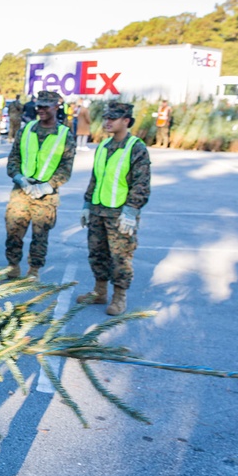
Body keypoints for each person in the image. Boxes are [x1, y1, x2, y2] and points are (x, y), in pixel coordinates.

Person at [77, 101, 151, 316]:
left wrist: (131, 211)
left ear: (126, 121)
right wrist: (86, 204)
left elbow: (141, 184)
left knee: (120, 257)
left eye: (112, 118)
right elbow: (95, 179)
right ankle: (99, 292)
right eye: (106, 118)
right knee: (97, 253)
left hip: (120, 214)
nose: (107, 122)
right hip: (98, 210)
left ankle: (119, 296)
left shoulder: (136, 147)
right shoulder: (103, 146)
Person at [5, 90, 76, 281]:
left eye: (45, 106)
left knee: (40, 235)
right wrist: (19, 177)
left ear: (56, 107)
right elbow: (13, 158)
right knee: (13, 230)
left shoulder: (65, 135)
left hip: (46, 194)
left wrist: (48, 186)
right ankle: (13, 266)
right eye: (39, 105)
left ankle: (34, 270)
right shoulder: (26, 130)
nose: (41, 109)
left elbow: (65, 168)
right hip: (22, 190)